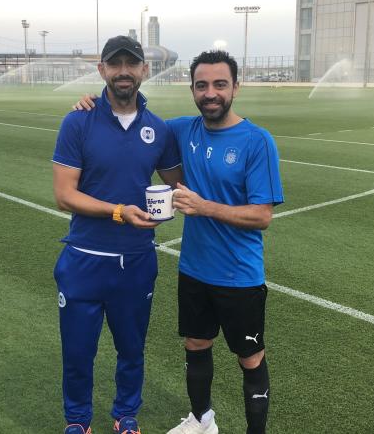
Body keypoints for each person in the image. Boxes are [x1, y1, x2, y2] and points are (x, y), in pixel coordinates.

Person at [73, 50, 284, 433]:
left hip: (239, 275)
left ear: (235, 87)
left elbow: (262, 216)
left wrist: (205, 207)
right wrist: (92, 104)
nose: (211, 93)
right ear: (192, 90)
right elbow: (132, 121)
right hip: (194, 270)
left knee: (249, 357)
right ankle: (202, 422)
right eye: (202, 85)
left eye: (220, 84)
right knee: (196, 346)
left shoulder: (257, 141)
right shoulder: (181, 130)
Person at [52, 35, 182, 434]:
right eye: (115, 64)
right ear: (102, 70)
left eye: (132, 64)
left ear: (144, 70)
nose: (123, 71)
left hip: (136, 261)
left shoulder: (159, 129)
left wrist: (172, 205)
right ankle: (78, 421)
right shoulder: (79, 120)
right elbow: (64, 195)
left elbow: (179, 187)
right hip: (84, 259)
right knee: (78, 352)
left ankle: (126, 416)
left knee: (131, 350)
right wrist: (118, 212)